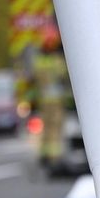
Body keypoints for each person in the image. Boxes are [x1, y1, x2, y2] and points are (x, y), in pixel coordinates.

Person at [32, 32, 71, 173]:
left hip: (44, 101)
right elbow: (64, 74)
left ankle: (44, 154)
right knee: (55, 128)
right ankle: (55, 157)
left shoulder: (39, 61)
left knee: (46, 128)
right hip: (55, 101)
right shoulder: (55, 60)